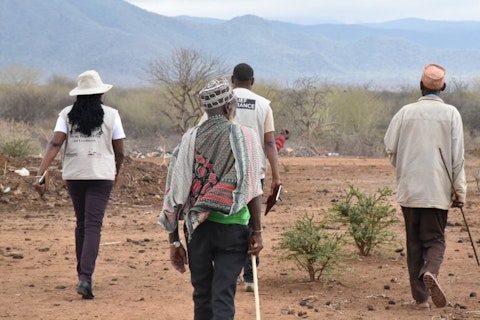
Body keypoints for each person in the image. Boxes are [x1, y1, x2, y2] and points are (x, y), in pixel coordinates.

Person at [158, 78, 264, 319]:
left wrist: (174, 242)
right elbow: (252, 188)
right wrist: (257, 231)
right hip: (234, 228)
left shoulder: (189, 139)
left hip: (198, 230)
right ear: (229, 106)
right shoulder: (245, 137)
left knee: (202, 296)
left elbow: (174, 192)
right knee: (223, 296)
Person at [34, 70, 126, 300]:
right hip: (101, 174)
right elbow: (120, 151)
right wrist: (116, 171)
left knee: (81, 223)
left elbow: (55, 143)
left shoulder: (66, 114)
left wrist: (41, 173)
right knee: (93, 225)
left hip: (75, 174)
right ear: (100, 93)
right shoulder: (112, 115)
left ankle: (82, 276)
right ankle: (86, 277)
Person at [384, 63, 466, 310]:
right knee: (435, 240)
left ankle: (421, 299)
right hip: (437, 190)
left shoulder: (405, 112)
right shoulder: (451, 114)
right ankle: (430, 270)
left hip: (409, 190)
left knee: (413, 243)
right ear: (444, 87)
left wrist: (404, 166)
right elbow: (457, 158)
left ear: (420, 86)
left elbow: (390, 147)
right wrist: (459, 191)